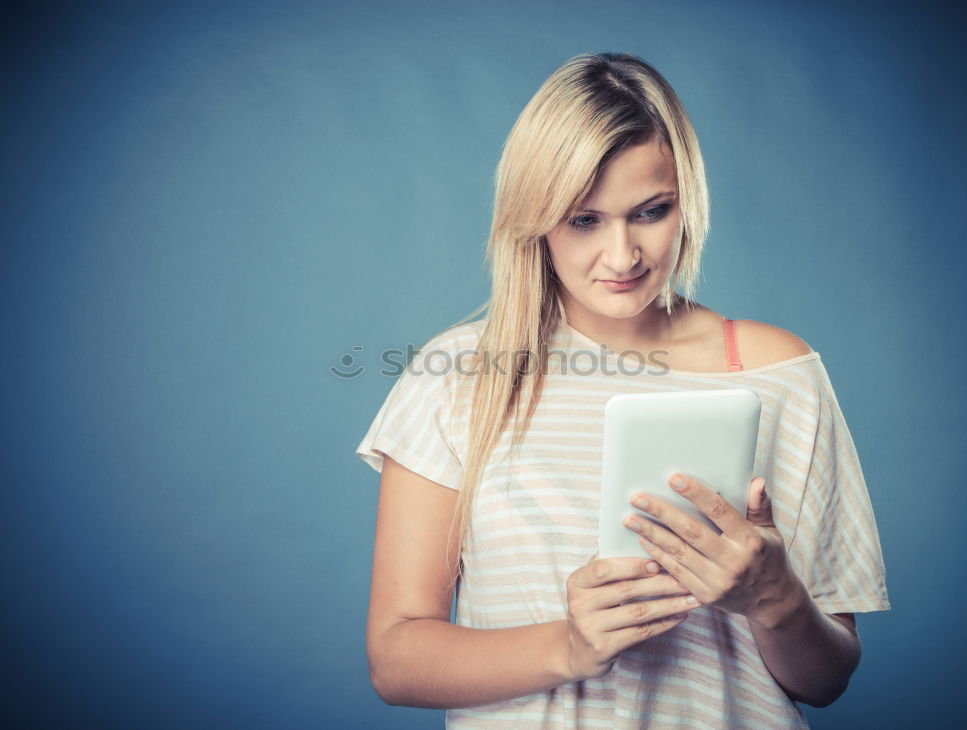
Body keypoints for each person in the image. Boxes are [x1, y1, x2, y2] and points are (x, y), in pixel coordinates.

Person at [356, 51, 889, 728]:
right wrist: (569, 647)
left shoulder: (778, 374)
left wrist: (773, 597)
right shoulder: (458, 375)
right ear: (536, 217)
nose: (622, 256)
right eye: (584, 220)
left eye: (650, 211)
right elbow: (396, 657)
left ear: (685, 202)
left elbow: (827, 679)